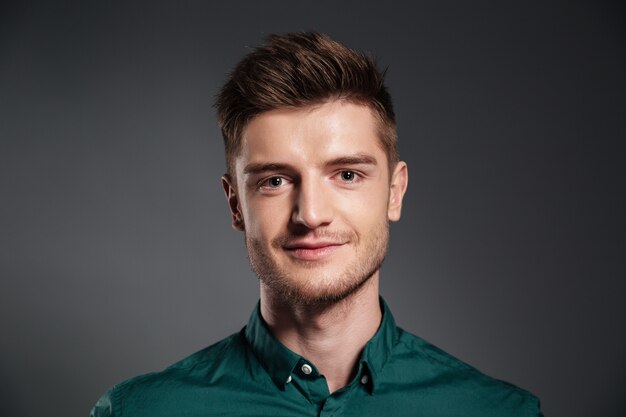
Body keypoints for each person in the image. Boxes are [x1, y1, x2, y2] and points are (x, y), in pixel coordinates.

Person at [91, 31, 542, 416]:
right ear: (235, 205)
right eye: (274, 180)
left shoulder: (498, 412)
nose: (310, 214)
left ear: (395, 191)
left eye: (347, 175)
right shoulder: (142, 410)